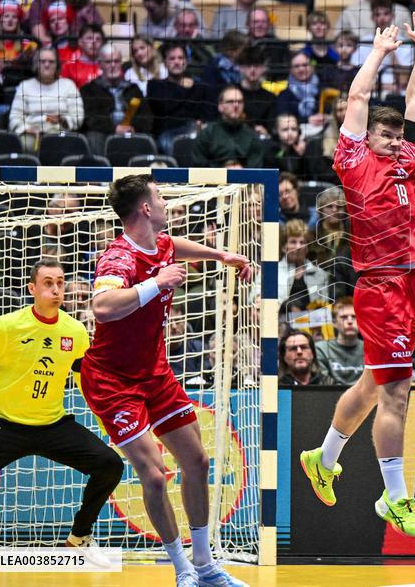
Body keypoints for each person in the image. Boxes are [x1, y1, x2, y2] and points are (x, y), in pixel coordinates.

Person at [299, 13, 415, 538]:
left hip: (410, 283)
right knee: (398, 390)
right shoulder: (354, 161)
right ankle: (395, 498)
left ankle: (324, 457)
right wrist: (380, 51)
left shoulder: (412, 161)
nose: (395, 141)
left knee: (374, 382)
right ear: (368, 137)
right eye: (387, 134)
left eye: (398, 135)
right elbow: (357, 103)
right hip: (378, 284)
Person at [80, 174, 252, 586]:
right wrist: (156, 283)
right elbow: (103, 307)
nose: (164, 202)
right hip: (111, 380)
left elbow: (175, 247)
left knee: (197, 461)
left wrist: (221, 255)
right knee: (154, 476)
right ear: (144, 208)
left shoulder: (161, 243)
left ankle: (207, 565)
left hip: (154, 372)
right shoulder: (118, 259)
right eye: (158, 196)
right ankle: (182, 570)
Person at [0, 259, 122, 564]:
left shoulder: (74, 331)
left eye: (60, 282)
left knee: (109, 464)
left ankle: (79, 539)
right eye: (48, 283)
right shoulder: (7, 326)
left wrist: (108, 425)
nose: (56, 289)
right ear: (32, 288)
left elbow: (86, 382)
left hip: (52, 425)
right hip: (6, 425)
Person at [80, 44, 154, 153]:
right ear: (100, 64)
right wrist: (114, 128)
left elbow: (147, 117)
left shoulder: (133, 89)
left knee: (147, 138)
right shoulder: (89, 89)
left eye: (116, 61)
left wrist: (132, 127)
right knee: (93, 138)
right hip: (103, 134)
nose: (113, 65)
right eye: (108, 62)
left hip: (132, 132)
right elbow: (90, 119)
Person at [8, 47, 84, 152]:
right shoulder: (25, 86)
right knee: (25, 144)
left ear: (57, 64)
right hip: (32, 134)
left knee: (68, 146)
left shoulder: (68, 85)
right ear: (36, 64)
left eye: (51, 62)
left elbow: (78, 117)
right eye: (42, 61)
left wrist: (62, 120)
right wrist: (27, 129)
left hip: (61, 133)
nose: (47, 65)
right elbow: (14, 117)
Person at [147, 41, 216, 154]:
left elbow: (207, 115)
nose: (177, 62)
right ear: (165, 63)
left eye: (180, 58)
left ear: (186, 61)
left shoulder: (201, 87)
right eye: (172, 59)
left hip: (194, 134)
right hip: (167, 136)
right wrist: (182, 88)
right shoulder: (155, 86)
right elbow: (164, 108)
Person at [192, 86, 265, 168]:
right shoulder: (207, 134)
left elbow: (256, 170)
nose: (236, 105)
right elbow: (198, 166)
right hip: (212, 180)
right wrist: (222, 171)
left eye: (240, 102)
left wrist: (243, 172)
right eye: (230, 101)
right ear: (220, 106)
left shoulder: (252, 136)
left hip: (244, 180)